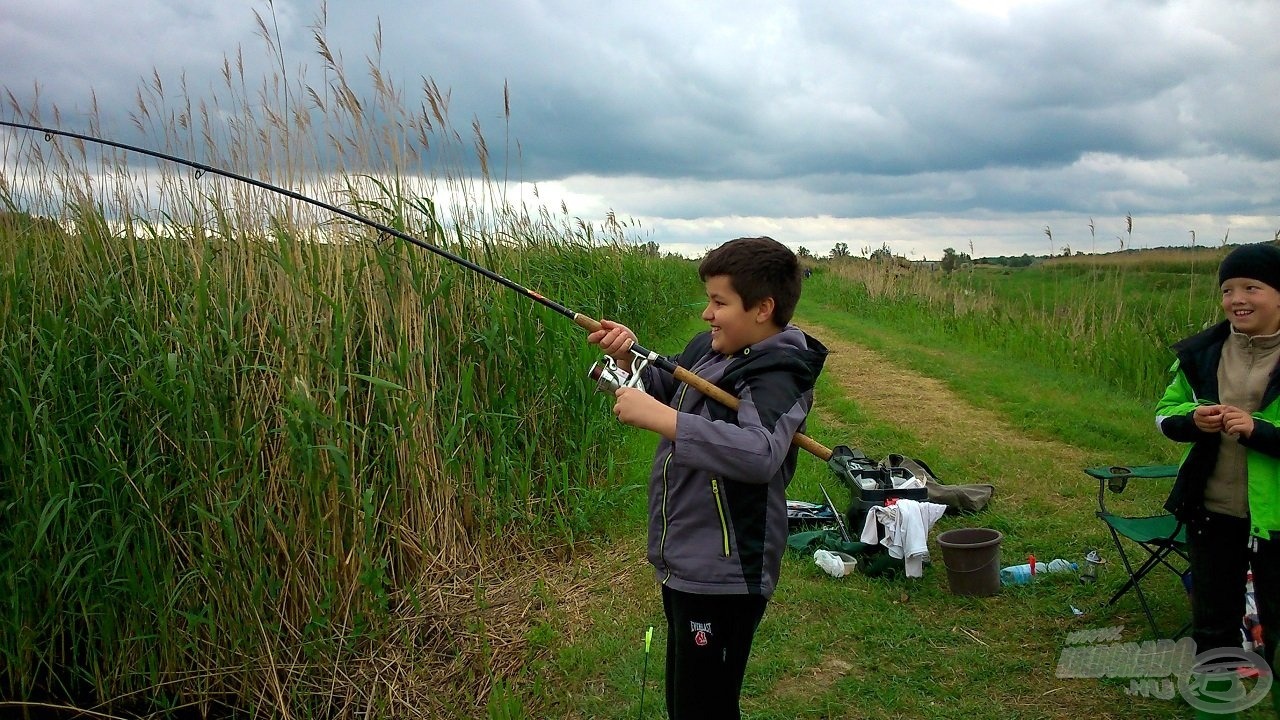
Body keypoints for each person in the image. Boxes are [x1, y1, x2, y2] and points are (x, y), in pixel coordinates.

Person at [588, 236, 827, 719]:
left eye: (719, 302)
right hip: (685, 559)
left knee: (706, 706)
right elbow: (672, 390)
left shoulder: (781, 373)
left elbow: (760, 452)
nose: (707, 314)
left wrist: (664, 421)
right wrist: (628, 359)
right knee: (686, 701)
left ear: (763, 308)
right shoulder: (712, 348)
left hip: (727, 572)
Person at [1157, 242, 1280, 716]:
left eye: (1252, 287)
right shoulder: (1202, 353)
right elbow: (1166, 415)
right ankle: (1215, 698)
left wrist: (1260, 431)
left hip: (1276, 518)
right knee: (1213, 617)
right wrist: (1195, 419)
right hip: (1212, 506)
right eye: (1228, 289)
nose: (1237, 299)